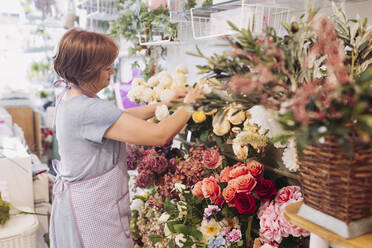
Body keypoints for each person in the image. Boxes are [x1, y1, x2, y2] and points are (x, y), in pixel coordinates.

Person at [50, 28, 202, 248]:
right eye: (106, 67)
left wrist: (165, 105)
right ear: (87, 71)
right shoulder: (88, 109)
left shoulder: (70, 96)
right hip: (93, 214)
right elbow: (159, 135)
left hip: (77, 205)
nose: (112, 70)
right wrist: (191, 103)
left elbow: (116, 120)